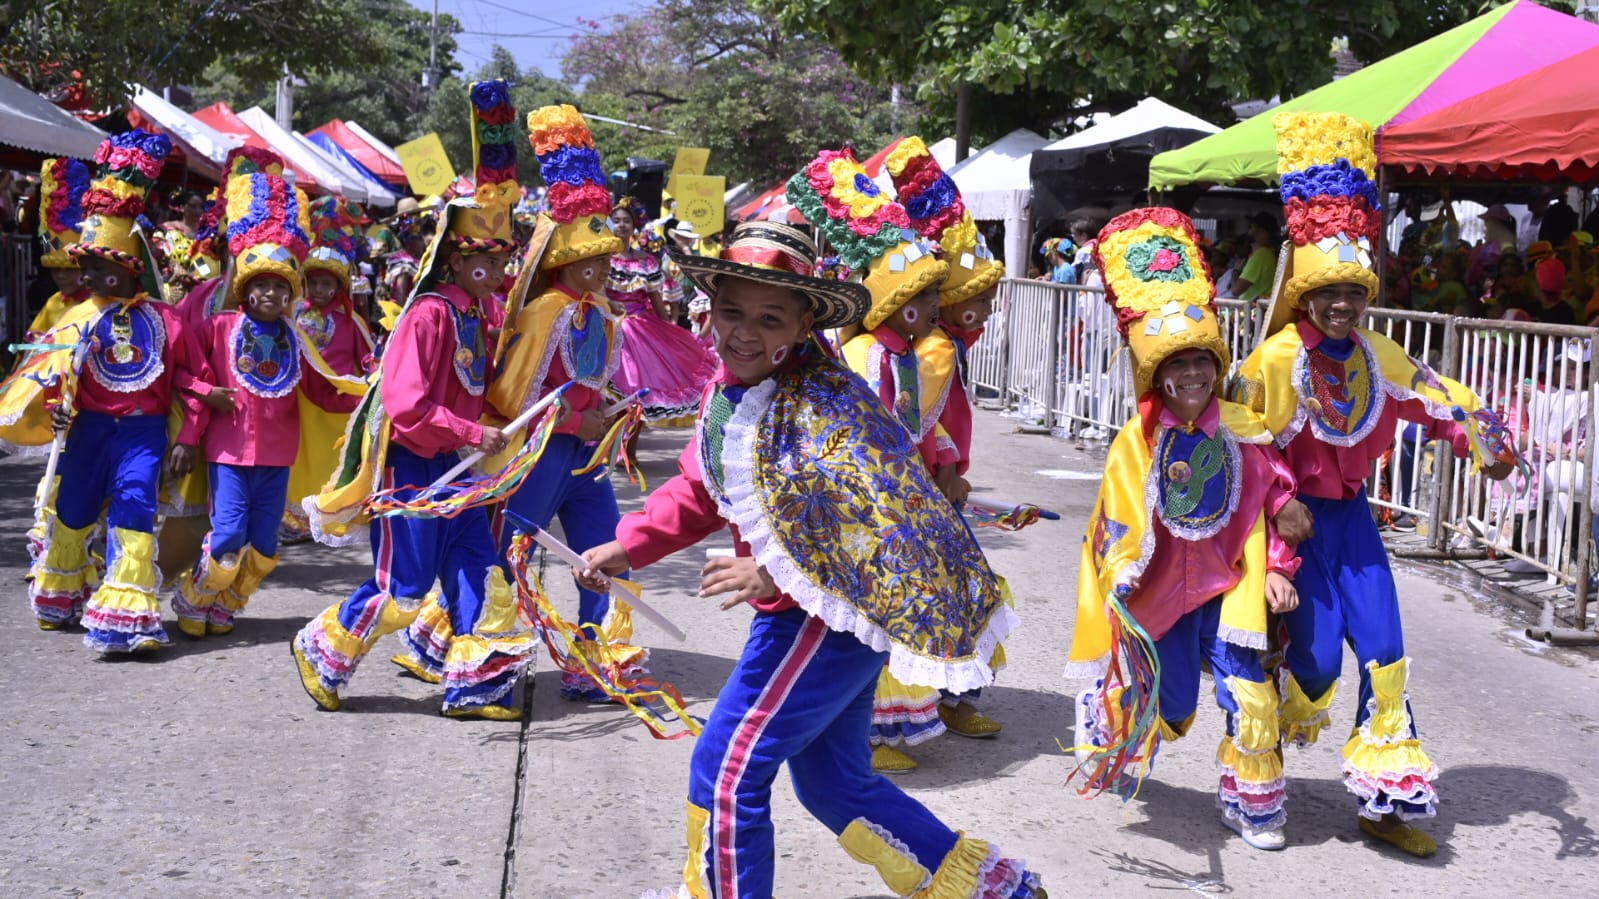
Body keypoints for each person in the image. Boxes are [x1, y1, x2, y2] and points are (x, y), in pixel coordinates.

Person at [579, 221, 1045, 899]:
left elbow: (875, 520)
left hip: (824, 616)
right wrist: (627, 546)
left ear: (801, 326)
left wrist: (769, 571)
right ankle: (989, 888)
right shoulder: (730, 388)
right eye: (731, 311)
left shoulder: (828, 405)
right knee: (833, 782)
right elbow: (703, 483)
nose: (743, 332)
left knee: (728, 770)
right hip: (814, 615)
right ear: (707, 307)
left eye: (769, 318)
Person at [1231, 111, 1515, 858]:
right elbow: (1230, 439)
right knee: (1318, 661)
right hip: (1294, 530)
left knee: (1385, 653)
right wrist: (1276, 506)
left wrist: (1486, 439)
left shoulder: (1375, 352)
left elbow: (1437, 393)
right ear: (1303, 292)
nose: (1340, 306)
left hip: (1353, 523)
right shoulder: (1273, 360)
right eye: (1327, 292)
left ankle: (1384, 802)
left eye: (1352, 293)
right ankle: (1259, 751)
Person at [393, 103, 647, 701]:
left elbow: (594, 381)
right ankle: (461, 645)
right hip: (537, 456)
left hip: (584, 456)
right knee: (506, 555)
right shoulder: (543, 312)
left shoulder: (602, 312)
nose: (608, 268)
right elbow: (511, 398)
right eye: (597, 260)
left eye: (609, 258)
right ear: (569, 262)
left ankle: (593, 653)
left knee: (607, 549)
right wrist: (573, 415)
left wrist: (608, 413)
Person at [293, 81, 530, 720]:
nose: (493, 264)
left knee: (479, 571)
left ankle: (474, 685)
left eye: (500, 254)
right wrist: (469, 431)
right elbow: (405, 406)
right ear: (452, 257)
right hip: (413, 469)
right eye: (480, 254)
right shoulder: (427, 315)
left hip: (459, 472)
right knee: (403, 588)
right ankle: (323, 647)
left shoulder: (485, 315)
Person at [1067, 207, 1299, 851]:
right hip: (1165, 586)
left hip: (1232, 581)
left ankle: (1252, 801)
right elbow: (1113, 520)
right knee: (1168, 710)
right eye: (1178, 365)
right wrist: (1123, 571)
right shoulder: (1134, 443)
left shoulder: (1243, 427)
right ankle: (1104, 717)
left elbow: (1276, 491)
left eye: (1202, 361)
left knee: (1250, 690)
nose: (1192, 375)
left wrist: (1279, 563)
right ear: (1157, 374)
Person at [22, 131, 212, 651]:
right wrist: (54, 413)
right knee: (76, 508)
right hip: (87, 432)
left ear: (128, 268)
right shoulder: (78, 318)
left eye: (98, 266)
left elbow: (194, 385)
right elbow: (52, 379)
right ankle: (60, 591)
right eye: (85, 266)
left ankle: (128, 616)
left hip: (143, 434)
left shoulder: (169, 321)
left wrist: (188, 437)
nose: (86, 273)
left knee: (133, 508)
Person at [803, 148, 955, 773]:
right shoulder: (868, 353)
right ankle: (863, 730)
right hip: (863, 500)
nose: (938, 312)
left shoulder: (905, 356)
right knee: (868, 612)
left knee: (893, 607)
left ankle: (879, 727)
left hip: (898, 497)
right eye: (929, 299)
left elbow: (921, 425)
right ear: (900, 304)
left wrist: (943, 463)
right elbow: (868, 429)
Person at [174, 171, 364, 637]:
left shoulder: (296, 337)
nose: (273, 296)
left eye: (283, 288)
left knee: (263, 546)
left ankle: (228, 603)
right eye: (263, 285)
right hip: (228, 453)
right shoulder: (217, 328)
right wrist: (203, 400)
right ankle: (195, 596)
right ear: (245, 287)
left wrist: (368, 395)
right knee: (228, 537)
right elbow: (180, 373)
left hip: (278, 455)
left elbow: (320, 389)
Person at [886, 135, 1012, 745]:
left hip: (940, 487)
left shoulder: (945, 345)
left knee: (959, 588)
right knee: (943, 591)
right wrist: (945, 468)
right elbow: (920, 421)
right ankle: (922, 706)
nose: (987, 312)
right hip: (920, 490)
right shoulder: (934, 350)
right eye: (978, 302)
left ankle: (957, 695)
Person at [607, 195, 718, 424]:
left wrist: (669, 333)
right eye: (615, 220)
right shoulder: (601, 259)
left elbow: (656, 300)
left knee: (639, 396)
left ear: (634, 225)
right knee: (608, 395)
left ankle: (631, 453)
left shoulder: (645, 261)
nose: (620, 225)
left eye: (626, 220)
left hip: (639, 330)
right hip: (605, 324)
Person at [1231, 211, 1279, 303]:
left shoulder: (1261, 256)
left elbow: (1235, 290)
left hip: (1250, 314)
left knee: (1199, 315)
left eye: (1251, 227)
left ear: (1261, 230)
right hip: (1254, 311)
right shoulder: (1266, 253)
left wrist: (1235, 271)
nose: (1249, 230)